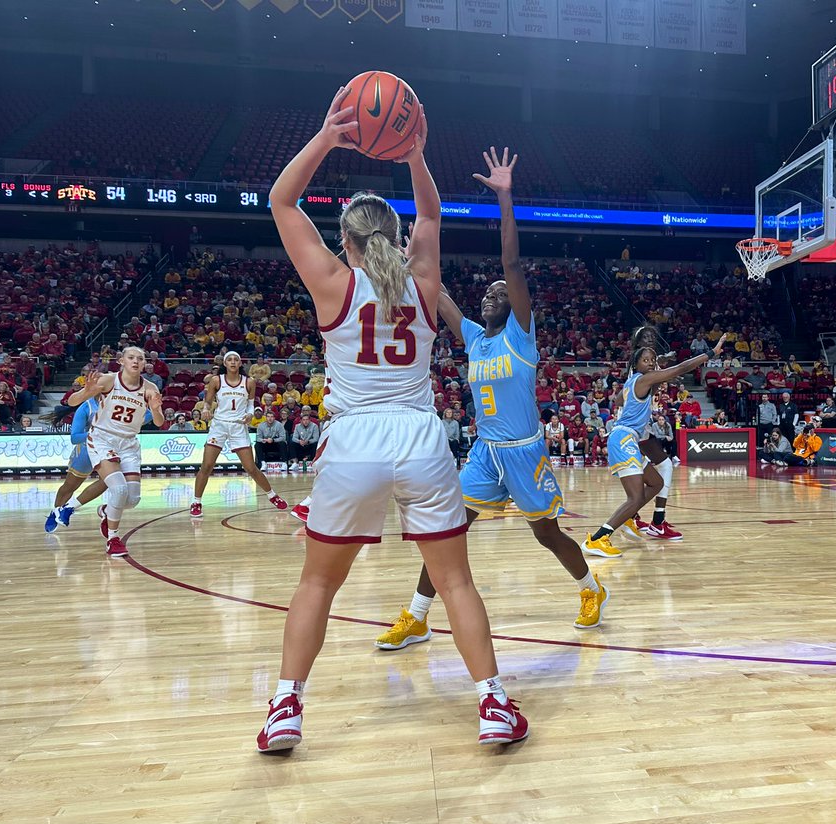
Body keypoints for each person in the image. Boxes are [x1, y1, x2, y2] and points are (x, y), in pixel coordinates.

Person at [263, 92, 526, 751]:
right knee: (456, 580)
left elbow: (282, 202)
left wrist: (326, 137)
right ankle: (492, 703)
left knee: (317, 584)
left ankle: (285, 708)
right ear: (393, 236)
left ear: (346, 241)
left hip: (354, 439)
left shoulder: (331, 279)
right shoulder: (422, 281)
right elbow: (431, 211)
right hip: (418, 434)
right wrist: (414, 153)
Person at [375, 145, 608, 646]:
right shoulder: (477, 337)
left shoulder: (520, 334)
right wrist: (403, 259)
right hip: (485, 452)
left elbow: (513, 260)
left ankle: (591, 589)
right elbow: (435, 294)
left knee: (546, 533)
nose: (491, 295)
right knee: (448, 530)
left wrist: (506, 199)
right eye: (488, 293)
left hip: (524, 451)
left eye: (500, 293)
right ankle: (417, 615)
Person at [585, 333, 726, 560]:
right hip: (624, 440)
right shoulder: (642, 380)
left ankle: (631, 517)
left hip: (628, 438)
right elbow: (680, 369)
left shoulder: (633, 382)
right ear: (636, 364)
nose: (650, 363)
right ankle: (598, 538)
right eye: (646, 360)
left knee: (656, 482)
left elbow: (618, 400)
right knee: (634, 497)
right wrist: (710, 354)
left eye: (653, 360)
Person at [64, 347, 166, 557]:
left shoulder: (150, 387)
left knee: (132, 499)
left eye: (140, 358)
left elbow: (159, 422)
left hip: (128, 443)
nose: (136, 361)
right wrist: (86, 391)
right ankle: (113, 539)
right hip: (102, 438)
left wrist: (156, 409)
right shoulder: (109, 381)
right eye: (131, 358)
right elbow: (71, 402)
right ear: (121, 361)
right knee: (118, 490)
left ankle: (105, 511)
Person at [44, 384, 163, 533]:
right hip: (88, 449)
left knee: (110, 482)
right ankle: (55, 511)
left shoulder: (121, 403)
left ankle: (73, 508)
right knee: (69, 486)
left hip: (113, 449)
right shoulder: (86, 407)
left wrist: (152, 408)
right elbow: (75, 437)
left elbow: (147, 416)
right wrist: (101, 434)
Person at [190, 351, 288, 518]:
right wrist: (206, 409)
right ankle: (196, 501)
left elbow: (250, 405)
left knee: (251, 468)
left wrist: (250, 414)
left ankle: (273, 496)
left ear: (240, 363)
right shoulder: (216, 380)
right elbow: (207, 401)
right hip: (219, 425)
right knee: (206, 466)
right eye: (230, 359)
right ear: (225, 363)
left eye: (236, 359)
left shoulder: (249, 382)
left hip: (238, 426)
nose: (233, 362)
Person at [627, 325, 684, 541]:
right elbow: (655, 376)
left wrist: (664, 361)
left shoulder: (645, 361)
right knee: (664, 465)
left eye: (653, 336)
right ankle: (657, 522)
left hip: (638, 423)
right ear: (638, 342)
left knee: (637, 472)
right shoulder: (641, 365)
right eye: (646, 337)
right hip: (635, 424)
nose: (651, 339)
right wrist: (669, 371)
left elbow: (656, 367)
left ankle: (632, 516)